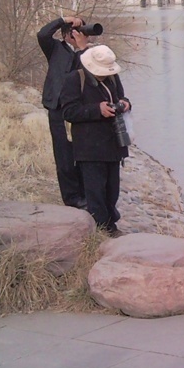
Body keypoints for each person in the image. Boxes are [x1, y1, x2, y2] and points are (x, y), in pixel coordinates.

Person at [59, 45, 130, 235]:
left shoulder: (113, 77)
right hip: (89, 146)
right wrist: (97, 110)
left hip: (114, 142)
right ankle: (103, 227)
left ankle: (110, 221)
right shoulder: (75, 79)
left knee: (112, 188)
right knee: (95, 190)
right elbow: (68, 112)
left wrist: (125, 103)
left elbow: (121, 97)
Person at [38, 16, 91, 207]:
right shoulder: (55, 49)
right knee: (63, 155)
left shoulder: (89, 54)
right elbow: (42, 33)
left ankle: (86, 194)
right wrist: (64, 20)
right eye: (76, 31)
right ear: (65, 33)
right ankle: (71, 198)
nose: (79, 34)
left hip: (80, 111)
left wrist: (82, 47)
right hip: (58, 110)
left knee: (82, 154)